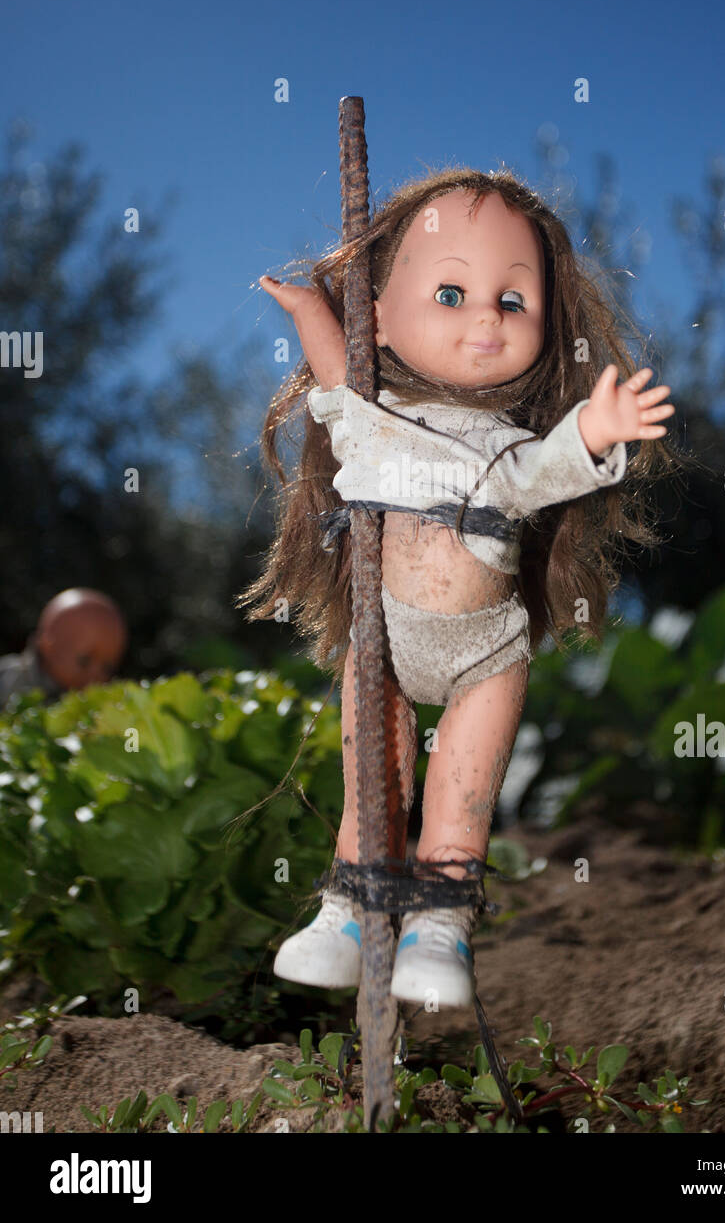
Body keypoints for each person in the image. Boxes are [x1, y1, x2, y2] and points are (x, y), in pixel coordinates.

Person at [242, 168, 678, 1009]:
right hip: (385, 644)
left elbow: (551, 467)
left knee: (462, 795)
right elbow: (338, 381)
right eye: (452, 291)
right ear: (379, 316)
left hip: (488, 653)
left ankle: (439, 927)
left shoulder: (504, 449)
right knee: (376, 781)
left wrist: (596, 428)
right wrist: (312, 317)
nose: (485, 316)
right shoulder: (370, 423)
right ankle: (349, 911)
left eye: (512, 302)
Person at [0, 589, 128, 710]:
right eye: (84, 661)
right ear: (47, 644)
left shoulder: (107, 706)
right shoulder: (5, 683)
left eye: (107, 668)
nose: (95, 679)